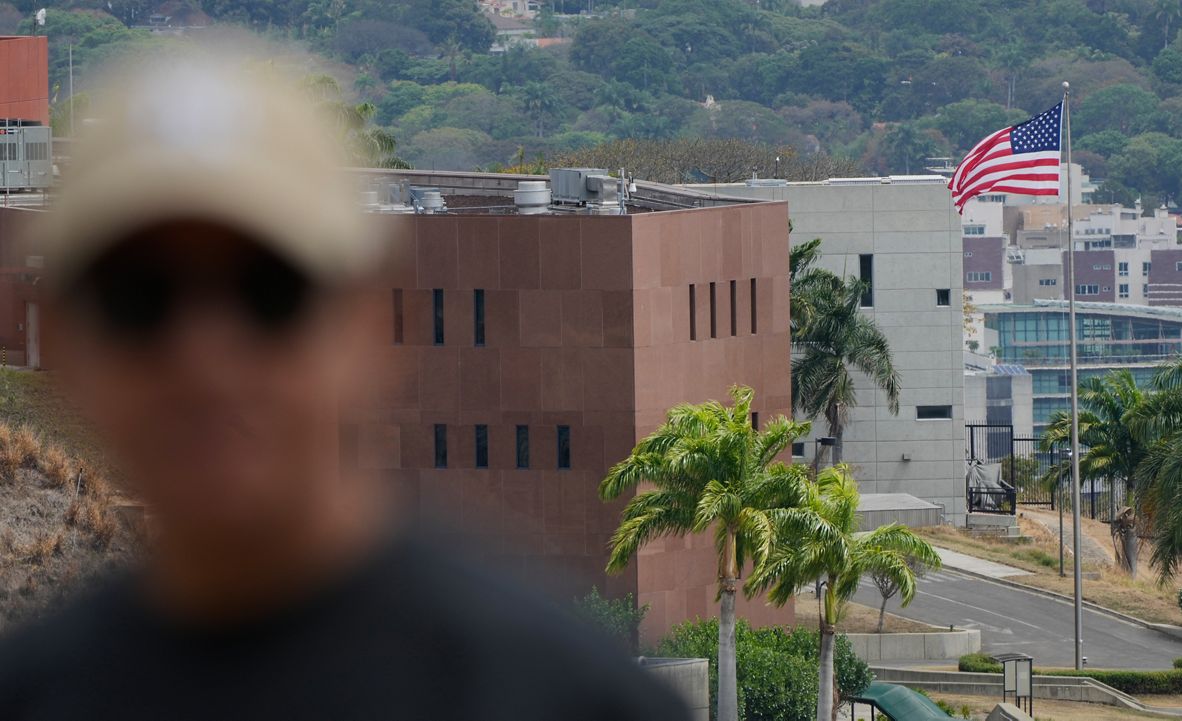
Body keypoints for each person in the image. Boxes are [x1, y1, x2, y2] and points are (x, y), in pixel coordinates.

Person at [0, 61, 687, 721]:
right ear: (63, 342)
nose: (206, 355)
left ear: (371, 322)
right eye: (140, 299)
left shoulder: (567, 701)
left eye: (270, 292)